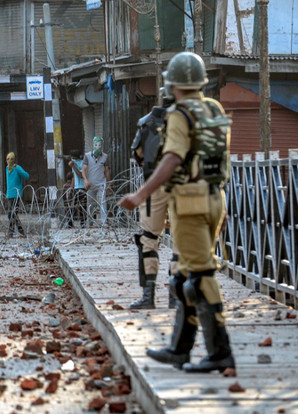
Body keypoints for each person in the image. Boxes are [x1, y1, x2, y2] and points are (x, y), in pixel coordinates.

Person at [119, 52, 234, 374]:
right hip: (214, 198)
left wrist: (141, 193)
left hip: (190, 202)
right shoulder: (214, 109)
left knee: (199, 276)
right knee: (184, 276)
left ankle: (220, 352)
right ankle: (178, 349)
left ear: (173, 85)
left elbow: (169, 159)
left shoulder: (179, 114)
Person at [128, 87, 177, 310]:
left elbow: (136, 154)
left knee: (148, 238)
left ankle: (148, 296)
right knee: (181, 242)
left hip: (153, 186)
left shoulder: (146, 122)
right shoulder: (187, 119)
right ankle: (175, 297)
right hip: (181, 187)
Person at [83, 137, 110, 227]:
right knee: (91, 203)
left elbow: (106, 170)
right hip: (91, 183)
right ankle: (90, 221)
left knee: (103, 201)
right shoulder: (87, 156)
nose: (98, 147)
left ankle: (104, 221)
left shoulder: (105, 156)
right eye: (96, 145)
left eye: (100, 145)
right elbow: (83, 169)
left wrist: (109, 183)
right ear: (93, 145)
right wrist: (85, 180)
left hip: (101, 182)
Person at [4, 152, 29, 237]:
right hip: (10, 194)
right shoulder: (7, 168)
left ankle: (11, 232)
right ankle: (20, 229)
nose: (9, 161)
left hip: (16, 194)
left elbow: (26, 176)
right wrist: (7, 194)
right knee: (12, 214)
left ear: (14, 160)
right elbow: (8, 182)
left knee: (12, 213)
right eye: (7, 159)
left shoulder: (17, 168)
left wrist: (18, 168)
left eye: (11, 159)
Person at [68, 149, 87, 228]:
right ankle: (69, 223)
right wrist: (71, 188)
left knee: (82, 206)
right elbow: (74, 177)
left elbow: (80, 175)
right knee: (72, 206)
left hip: (82, 187)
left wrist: (73, 166)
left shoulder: (82, 164)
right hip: (76, 188)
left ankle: (83, 223)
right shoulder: (74, 163)